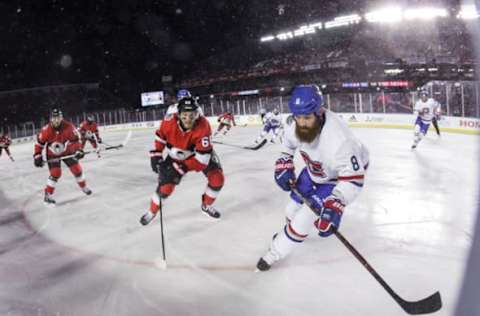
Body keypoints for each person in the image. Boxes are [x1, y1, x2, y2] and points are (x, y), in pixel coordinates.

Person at [256, 85, 369, 271]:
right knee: (291, 209)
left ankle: (273, 253)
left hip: (337, 178)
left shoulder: (340, 141)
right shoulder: (295, 124)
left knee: (305, 216)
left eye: (307, 118)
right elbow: (288, 145)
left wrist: (337, 202)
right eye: (298, 117)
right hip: (314, 171)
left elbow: (353, 179)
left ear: (320, 112)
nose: (302, 123)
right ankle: (292, 233)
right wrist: (284, 160)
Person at [140, 97, 225, 225]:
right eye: (184, 115)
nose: (188, 119)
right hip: (175, 154)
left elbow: (202, 160)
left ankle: (206, 205)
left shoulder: (203, 125)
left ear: (197, 114)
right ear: (178, 114)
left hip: (197, 155)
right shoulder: (168, 122)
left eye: (192, 115)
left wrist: (181, 168)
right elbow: (160, 137)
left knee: (217, 178)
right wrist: (156, 154)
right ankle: (152, 211)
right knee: (165, 188)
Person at [33, 109, 91, 205]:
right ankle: (48, 195)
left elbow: (76, 140)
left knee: (77, 170)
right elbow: (39, 144)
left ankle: (84, 187)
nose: (56, 120)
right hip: (52, 154)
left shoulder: (69, 127)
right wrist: (37, 155)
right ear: (51, 118)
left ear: (61, 117)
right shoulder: (46, 130)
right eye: (54, 117)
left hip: (67, 151)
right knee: (56, 173)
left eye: (58, 117)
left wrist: (78, 150)